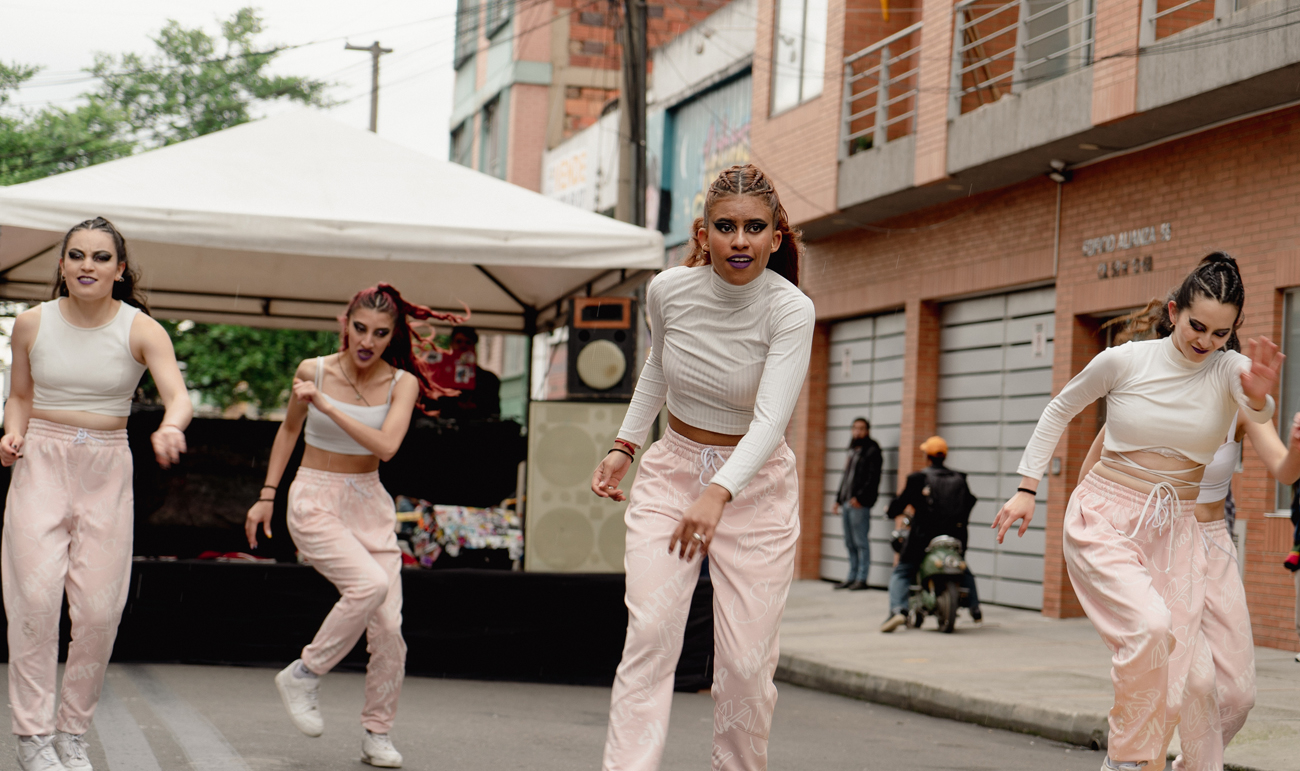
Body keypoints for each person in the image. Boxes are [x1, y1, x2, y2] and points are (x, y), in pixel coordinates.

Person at [992, 253, 1282, 771]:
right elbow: (1060, 408)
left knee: (1195, 682)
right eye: (1197, 326)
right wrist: (1026, 488)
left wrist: (1260, 401)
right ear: (1174, 311)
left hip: (1177, 530)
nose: (1206, 341)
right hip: (1105, 513)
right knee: (1149, 628)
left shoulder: (1229, 368)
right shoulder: (1125, 361)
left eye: (1220, 333)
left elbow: (1257, 404)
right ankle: (1127, 761)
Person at [590, 163, 814, 771]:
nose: (739, 240)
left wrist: (718, 492)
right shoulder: (667, 291)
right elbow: (659, 367)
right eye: (725, 226)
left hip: (757, 486)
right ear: (702, 233)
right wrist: (625, 446)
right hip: (673, 473)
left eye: (753, 227)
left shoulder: (791, 310)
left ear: (775, 236)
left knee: (744, 665)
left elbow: (771, 421)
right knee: (651, 636)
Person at [245, 284, 464, 769]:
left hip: (369, 501)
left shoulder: (400, 383)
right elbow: (288, 431)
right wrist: (266, 496)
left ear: (393, 336)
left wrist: (327, 406)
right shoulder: (313, 370)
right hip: (314, 497)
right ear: (346, 323)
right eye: (360, 328)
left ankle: (377, 733)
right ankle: (305, 672)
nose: (367, 341)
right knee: (366, 585)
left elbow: (386, 447)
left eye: (380, 333)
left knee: (389, 629)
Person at [0, 217, 192, 771]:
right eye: (77, 255)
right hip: (42, 460)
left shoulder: (142, 329)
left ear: (119, 269)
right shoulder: (32, 323)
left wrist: (171, 426)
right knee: (34, 603)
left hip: (107, 467)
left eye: (101, 257)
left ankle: (72, 733)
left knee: (99, 612)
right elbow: (19, 395)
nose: (88, 265)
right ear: (61, 265)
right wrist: (12, 432)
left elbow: (176, 396)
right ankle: (33, 737)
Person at [1080, 300, 1300, 771]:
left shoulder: (1240, 408)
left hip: (1213, 544)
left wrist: (1298, 444)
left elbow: (1283, 470)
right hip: (1158, 539)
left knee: (1238, 696)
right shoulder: (1148, 397)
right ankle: (1139, 761)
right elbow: (1095, 473)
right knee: (1190, 682)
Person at [879, 436, 980, 632]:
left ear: (927, 456)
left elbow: (900, 503)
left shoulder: (918, 479)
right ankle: (975, 607)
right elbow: (969, 502)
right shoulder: (960, 477)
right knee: (961, 566)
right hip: (955, 535)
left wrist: (890, 511)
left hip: (923, 536)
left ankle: (898, 610)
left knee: (902, 570)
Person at [832, 417, 881, 590]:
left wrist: (860, 498)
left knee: (861, 542)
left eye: (861, 428)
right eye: (855, 428)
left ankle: (862, 578)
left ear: (867, 431)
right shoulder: (852, 450)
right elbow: (846, 478)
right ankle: (851, 577)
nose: (858, 432)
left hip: (859, 504)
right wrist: (838, 499)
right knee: (849, 542)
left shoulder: (872, 450)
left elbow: (873, 479)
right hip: (846, 502)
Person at [425, 325, 500, 420]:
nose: (463, 346)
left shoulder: (488, 379)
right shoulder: (435, 376)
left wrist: (475, 407)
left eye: (468, 342)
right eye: (458, 341)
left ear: (474, 347)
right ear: (451, 345)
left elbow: (493, 411)